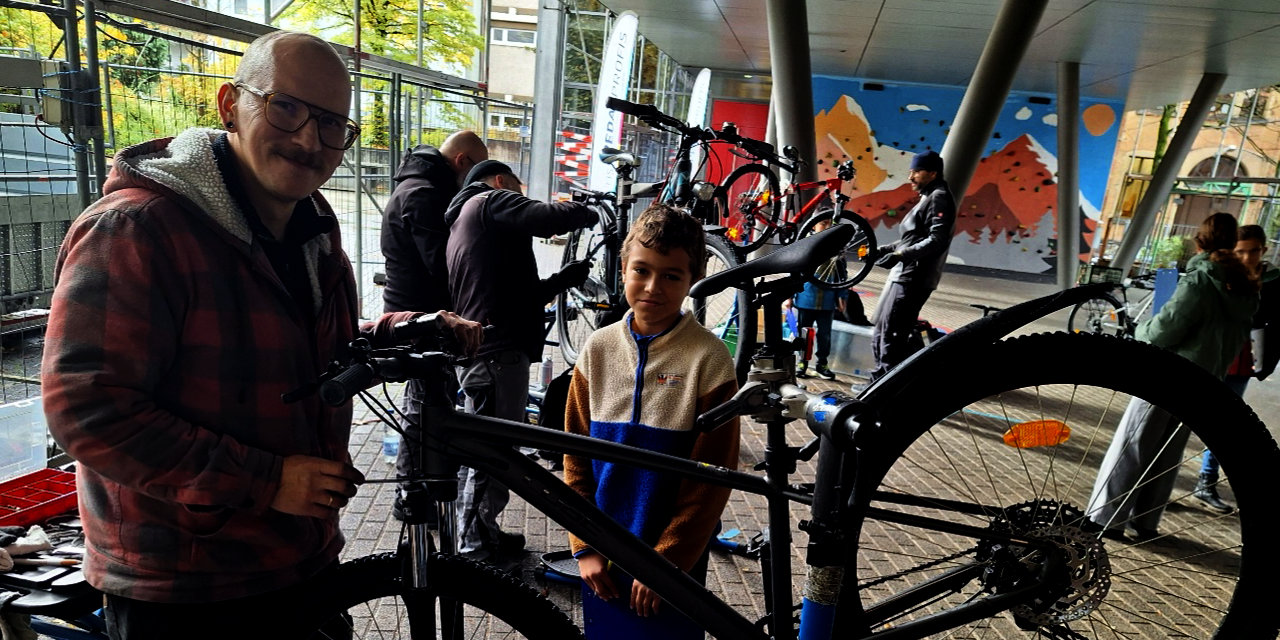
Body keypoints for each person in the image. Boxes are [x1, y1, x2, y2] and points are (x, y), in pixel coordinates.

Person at [39, 31, 479, 640]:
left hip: (301, 565)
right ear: (229, 106)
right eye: (287, 107)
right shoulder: (138, 229)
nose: (308, 140)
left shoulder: (313, 234)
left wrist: (411, 328)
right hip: (188, 593)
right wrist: (266, 481)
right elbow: (85, 408)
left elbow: (305, 351)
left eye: (331, 124)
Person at [562, 203, 739, 639]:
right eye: (641, 270)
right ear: (623, 268)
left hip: (673, 568)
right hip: (602, 561)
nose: (652, 287)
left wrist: (668, 562)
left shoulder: (709, 359)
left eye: (671, 276)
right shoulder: (597, 350)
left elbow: (711, 480)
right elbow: (575, 458)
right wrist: (584, 546)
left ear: (692, 280)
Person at [445, 159, 598, 569]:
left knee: (493, 450)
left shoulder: (470, 220)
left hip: (491, 352)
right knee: (490, 453)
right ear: (499, 181)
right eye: (518, 186)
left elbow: (517, 296)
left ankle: (484, 532)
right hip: (494, 356)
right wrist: (589, 210)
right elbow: (547, 219)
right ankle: (472, 551)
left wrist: (564, 279)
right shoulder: (488, 202)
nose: (521, 193)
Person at [1088, 213, 1258, 541]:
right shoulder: (1243, 286)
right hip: (1205, 382)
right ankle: (1147, 522)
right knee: (1168, 453)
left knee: (1133, 444)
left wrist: (1141, 331)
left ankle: (1105, 519)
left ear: (1200, 241)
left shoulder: (1201, 279)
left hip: (1169, 375)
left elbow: (1167, 328)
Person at [380, 130, 488, 506]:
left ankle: (418, 486)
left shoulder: (418, 185)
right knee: (423, 405)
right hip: (419, 317)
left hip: (415, 310)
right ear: (462, 162)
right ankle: (412, 492)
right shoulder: (424, 194)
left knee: (425, 400)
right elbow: (443, 264)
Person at [1193, 224, 1279, 512]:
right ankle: (1157, 482)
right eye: (1241, 251)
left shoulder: (1272, 280)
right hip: (1213, 354)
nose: (1247, 257)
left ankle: (1206, 480)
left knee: (1223, 422)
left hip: (1243, 359)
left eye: (1253, 251)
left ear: (1263, 250)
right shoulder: (1221, 273)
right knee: (1186, 417)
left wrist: (1267, 361)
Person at [869, 149, 955, 382]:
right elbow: (913, 238)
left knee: (892, 334)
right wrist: (886, 250)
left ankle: (885, 389)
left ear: (933, 173)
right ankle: (878, 379)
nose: (910, 177)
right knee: (883, 329)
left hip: (913, 276)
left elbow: (937, 240)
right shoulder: (928, 197)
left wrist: (900, 255)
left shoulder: (939, 197)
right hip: (904, 273)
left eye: (916, 172)